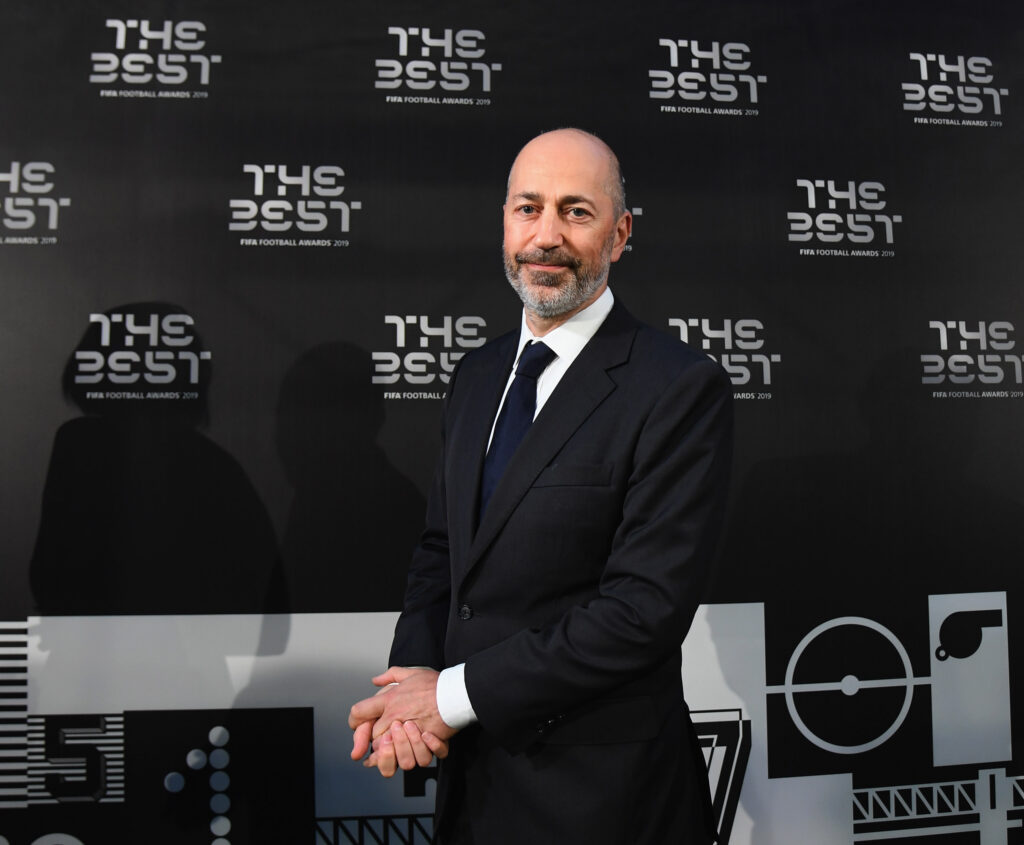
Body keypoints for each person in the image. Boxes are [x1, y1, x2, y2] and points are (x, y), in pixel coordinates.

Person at [349, 128, 732, 844]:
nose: (546, 235)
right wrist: (412, 682)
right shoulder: (476, 375)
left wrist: (447, 696)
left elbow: (641, 611)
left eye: (575, 211)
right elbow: (442, 552)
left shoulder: (678, 386)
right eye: (528, 208)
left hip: (603, 801)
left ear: (620, 234)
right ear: (505, 223)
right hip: (471, 784)